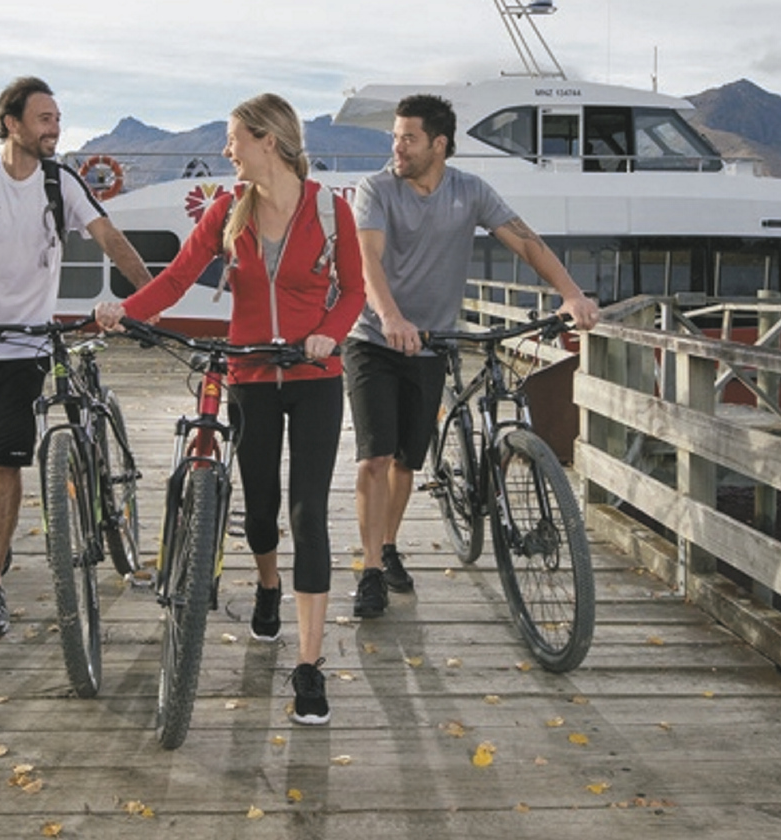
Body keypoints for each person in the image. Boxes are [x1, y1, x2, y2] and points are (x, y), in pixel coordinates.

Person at [95, 93, 363, 726]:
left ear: (268, 140)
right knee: (261, 509)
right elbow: (176, 278)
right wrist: (125, 310)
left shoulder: (330, 211)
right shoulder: (226, 210)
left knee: (309, 513)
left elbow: (353, 291)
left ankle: (309, 666)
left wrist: (329, 333)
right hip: (249, 375)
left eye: (234, 138)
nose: (226, 149)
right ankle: (268, 585)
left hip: (315, 376)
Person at [345, 92, 600, 618]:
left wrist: (571, 293)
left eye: (408, 138)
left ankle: (388, 546)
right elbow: (368, 260)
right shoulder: (376, 190)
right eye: (395, 137)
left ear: (438, 144)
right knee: (374, 457)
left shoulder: (470, 191)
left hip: (433, 341)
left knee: (406, 461)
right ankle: (370, 570)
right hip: (373, 337)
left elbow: (525, 242)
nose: (397, 147)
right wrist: (390, 317)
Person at [0, 77, 152, 640]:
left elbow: (111, 239)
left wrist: (149, 300)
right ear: (13, 124)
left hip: (27, 348)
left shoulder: (61, 182)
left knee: (8, 464)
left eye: (57, 118)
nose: (55, 128)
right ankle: (0, 525)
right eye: (45, 118)